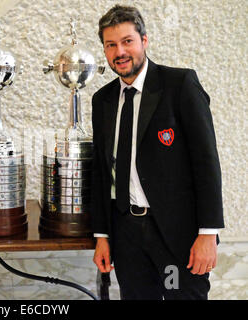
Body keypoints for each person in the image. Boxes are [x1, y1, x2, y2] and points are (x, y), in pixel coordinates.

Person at [91, 5, 224, 300]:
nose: (119, 52)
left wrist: (208, 233)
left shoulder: (179, 85)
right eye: (111, 45)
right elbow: (102, 172)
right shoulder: (102, 101)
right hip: (127, 236)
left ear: (144, 41)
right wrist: (102, 236)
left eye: (127, 41)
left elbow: (206, 163)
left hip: (176, 237)